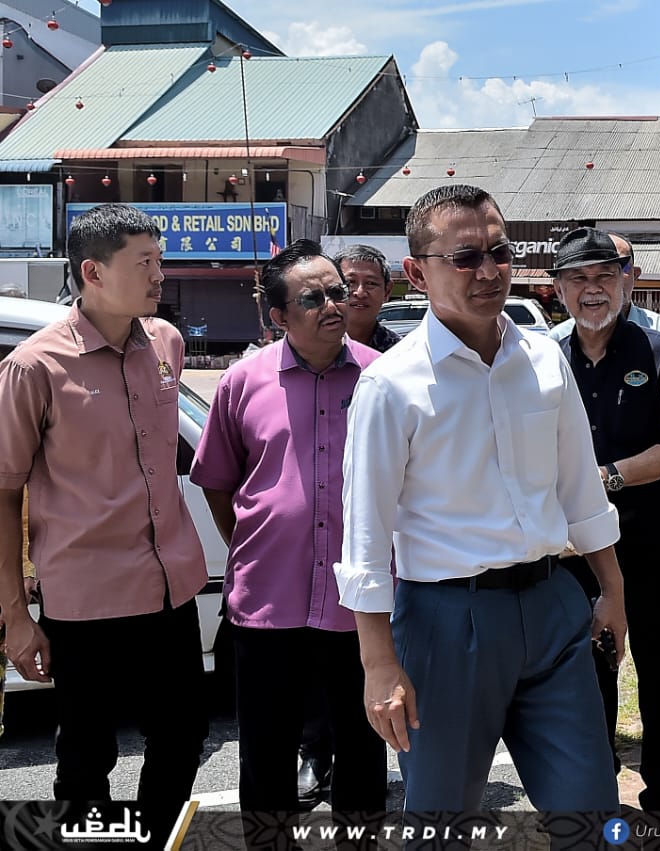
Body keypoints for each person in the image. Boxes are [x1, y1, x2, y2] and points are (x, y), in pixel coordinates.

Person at [335, 184, 626, 814]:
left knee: (590, 808)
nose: (489, 271)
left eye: (499, 251)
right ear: (416, 273)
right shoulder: (390, 385)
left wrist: (612, 590)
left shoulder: (546, 358)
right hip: (446, 622)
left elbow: (580, 487)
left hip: (554, 608)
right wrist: (378, 663)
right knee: (442, 820)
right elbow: (364, 536)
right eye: (465, 258)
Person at [0, 203, 209, 843]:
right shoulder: (35, 367)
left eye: (160, 260)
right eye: (143, 263)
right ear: (92, 270)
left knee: (183, 735)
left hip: (171, 586)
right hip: (86, 599)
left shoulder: (166, 343)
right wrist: (14, 614)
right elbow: (4, 490)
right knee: (87, 756)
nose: (159, 276)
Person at [190, 239, 386, 848]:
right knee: (267, 754)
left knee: (362, 747)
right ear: (278, 317)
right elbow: (219, 483)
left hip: (360, 605)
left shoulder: (383, 379)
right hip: (267, 602)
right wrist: (259, 544)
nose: (336, 303)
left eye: (339, 291)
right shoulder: (243, 381)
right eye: (315, 297)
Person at [552, 227, 660, 814]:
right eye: (577, 279)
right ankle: (597, 779)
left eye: (602, 277)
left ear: (623, 282)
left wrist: (604, 478)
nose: (591, 291)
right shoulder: (545, 359)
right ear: (558, 289)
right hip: (573, 549)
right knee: (589, 667)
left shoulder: (658, 350)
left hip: (652, 537)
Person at [295, 243, 400, 808]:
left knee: (373, 675)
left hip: (374, 559)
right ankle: (314, 754)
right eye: (343, 283)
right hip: (303, 564)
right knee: (314, 680)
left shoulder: (398, 364)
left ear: (388, 292)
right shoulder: (280, 358)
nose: (352, 295)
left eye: (363, 285)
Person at [551, 233, 660, 415]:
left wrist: (657, 384)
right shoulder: (555, 343)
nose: (594, 287)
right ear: (559, 290)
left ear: (629, 275)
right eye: (579, 277)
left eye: (607, 272)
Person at [336, 243, 402, 353]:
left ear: (387, 291)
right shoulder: (310, 346)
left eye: (371, 283)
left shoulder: (400, 352)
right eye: (350, 282)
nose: (360, 293)